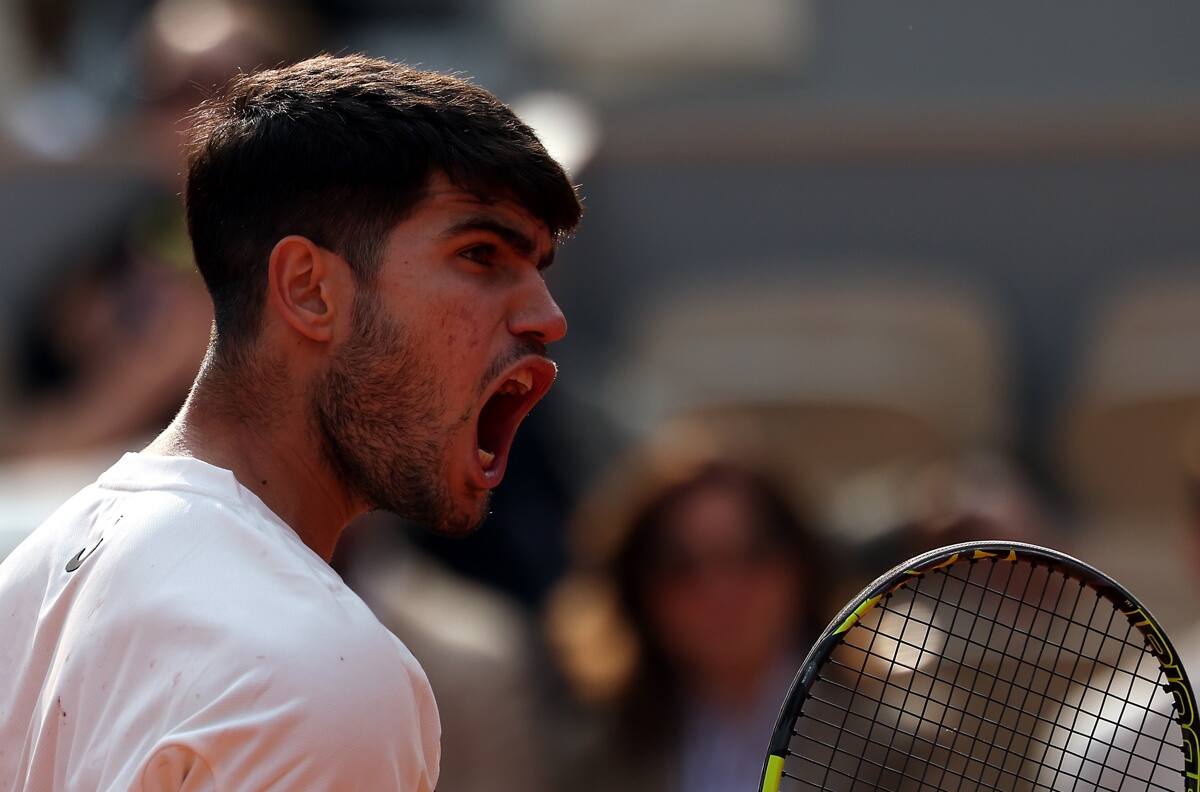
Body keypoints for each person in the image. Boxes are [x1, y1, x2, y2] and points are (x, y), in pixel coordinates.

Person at [0, 52, 581, 791]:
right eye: (480, 254)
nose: (547, 319)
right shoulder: (320, 670)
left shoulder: (32, 578)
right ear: (309, 290)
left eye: (539, 269)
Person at [547, 445, 831, 792]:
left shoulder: (897, 738)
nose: (720, 591)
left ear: (801, 566)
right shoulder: (590, 755)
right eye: (680, 567)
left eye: (749, 555)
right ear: (638, 593)